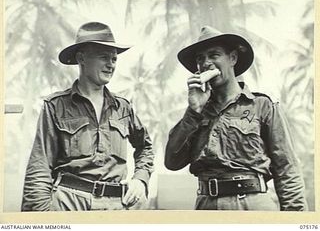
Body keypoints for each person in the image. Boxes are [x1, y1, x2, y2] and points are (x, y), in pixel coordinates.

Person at [164, 26, 307, 211]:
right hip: (207, 206)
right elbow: (172, 162)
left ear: (232, 58)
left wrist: (294, 220)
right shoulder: (196, 113)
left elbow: (287, 168)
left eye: (214, 55)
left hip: (252, 204)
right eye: (200, 58)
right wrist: (193, 112)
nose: (206, 63)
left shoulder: (262, 105)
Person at [21, 22, 154, 211]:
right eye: (103, 57)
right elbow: (39, 167)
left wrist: (140, 179)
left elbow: (145, 147)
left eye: (114, 59)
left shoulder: (123, 107)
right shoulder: (56, 106)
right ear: (81, 58)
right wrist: (40, 217)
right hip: (69, 204)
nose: (111, 65)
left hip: (116, 207)